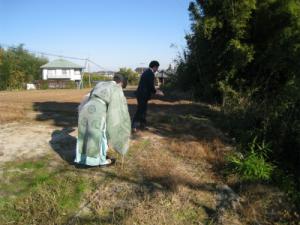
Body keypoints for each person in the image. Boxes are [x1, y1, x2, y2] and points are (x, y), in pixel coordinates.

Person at [75, 74, 131, 167]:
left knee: (85, 134)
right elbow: (117, 108)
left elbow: (89, 96)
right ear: (120, 83)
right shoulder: (116, 88)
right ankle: (101, 161)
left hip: (86, 108)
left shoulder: (101, 83)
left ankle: (83, 159)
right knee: (100, 135)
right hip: (98, 110)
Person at [132, 60, 164, 131]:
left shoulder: (147, 72)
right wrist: (157, 92)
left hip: (142, 94)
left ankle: (143, 125)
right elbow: (150, 86)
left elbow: (148, 85)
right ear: (154, 67)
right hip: (142, 95)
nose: (157, 69)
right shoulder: (150, 73)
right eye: (157, 67)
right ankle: (134, 126)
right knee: (140, 110)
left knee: (143, 110)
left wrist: (155, 91)